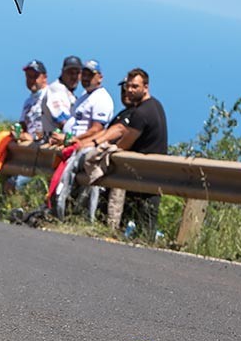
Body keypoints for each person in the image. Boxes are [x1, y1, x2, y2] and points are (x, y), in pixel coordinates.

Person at [115, 68, 168, 238]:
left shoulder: (141, 113)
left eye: (135, 86)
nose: (129, 90)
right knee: (147, 224)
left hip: (142, 174)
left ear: (146, 87)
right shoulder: (156, 105)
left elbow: (124, 144)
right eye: (128, 86)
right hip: (155, 172)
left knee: (140, 222)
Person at [62, 59, 115, 141]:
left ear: (100, 78)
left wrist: (71, 139)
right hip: (72, 146)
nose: (86, 78)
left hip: (85, 147)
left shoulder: (101, 98)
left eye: (90, 75)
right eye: (84, 74)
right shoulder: (84, 96)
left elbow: (96, 130)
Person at [41, 55, 81, 142]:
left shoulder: (68, 92)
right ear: (62, 72)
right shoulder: (56, 89)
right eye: (70, 73)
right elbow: (63, 122)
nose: (74, 77)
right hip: (52, 147)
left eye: (77, 73)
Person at [17, 59, 48, 142]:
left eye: (35, 76)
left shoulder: (50, 96)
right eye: (28, 76)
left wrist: (35, 138)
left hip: (45, 145)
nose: (31, 80)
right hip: (31, 146)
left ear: (44, 78)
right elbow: (22, 125)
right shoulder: (28, 101)